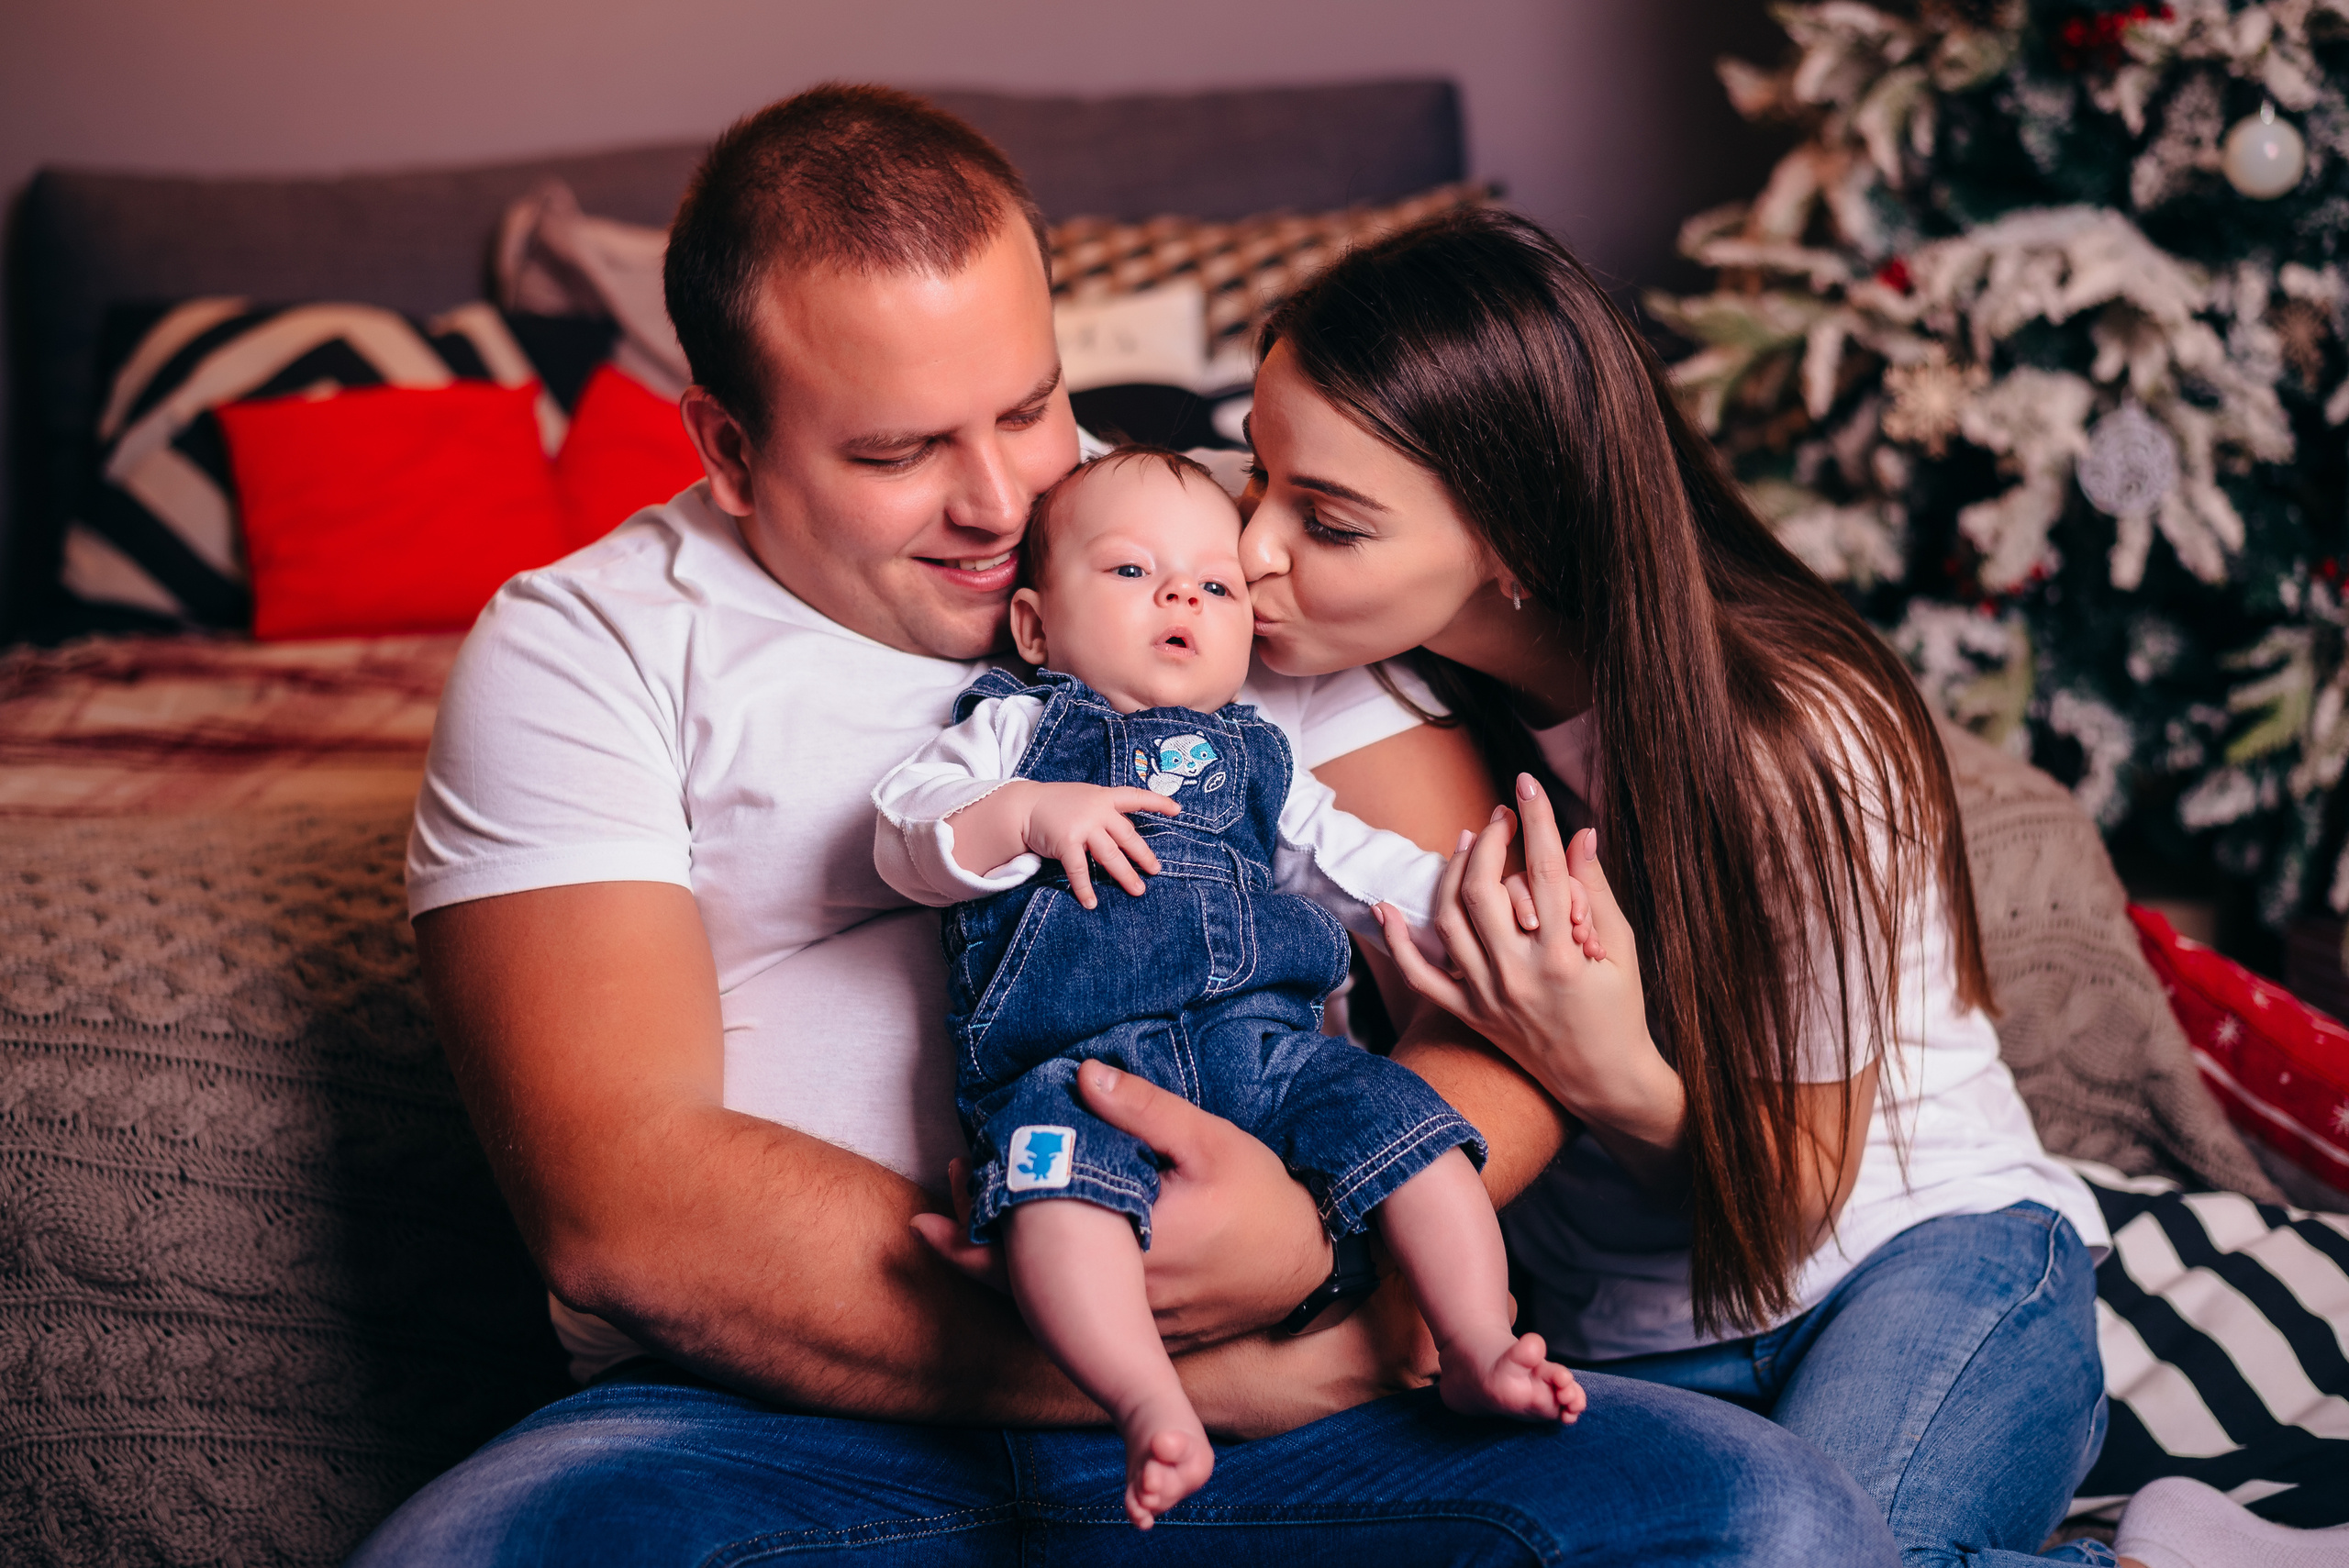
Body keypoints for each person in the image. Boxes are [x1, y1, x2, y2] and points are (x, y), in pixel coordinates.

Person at [349, 86, 1894, 1564]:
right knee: (473, 1547)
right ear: (730, 446)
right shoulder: (587, 642)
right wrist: (1192, 1370)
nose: (998, 496)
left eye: (1029, 406)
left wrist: (1305, 1236)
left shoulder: (1192, 542)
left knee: (1774, 1521)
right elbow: (627, 1206)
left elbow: (1504, 994)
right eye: (896, 451)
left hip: (1308, 1393)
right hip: (772, 1418)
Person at [1238, 205, 2132, 1567]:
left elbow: (1796, 1199)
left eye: (1327, 521)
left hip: (1922, 1258)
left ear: (1517, 543)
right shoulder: (1378, 675)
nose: (1249, 547)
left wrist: (1603, 1066)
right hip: (1622, 1336)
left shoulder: (1796, 745)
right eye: (1257, 475)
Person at [872, 448, 1584, 1526]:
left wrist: (1485, 904)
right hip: (1073, 1065)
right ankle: (1147, 1397)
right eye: (1129, 572)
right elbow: (903, 829)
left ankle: (1479, 1338)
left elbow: (1355, 863)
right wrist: (1024, 814)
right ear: (1032, 626)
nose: (1178, 597)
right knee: (1053, 1204)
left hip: (1268, 1055)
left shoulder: (1261, 757)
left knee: (1417, 1135)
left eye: (1214, 586)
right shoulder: (1016, 730)